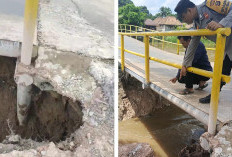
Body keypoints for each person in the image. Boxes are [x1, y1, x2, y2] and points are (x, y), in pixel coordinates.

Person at [174, 0, 232, 103]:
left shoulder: (211, 4)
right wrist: (185, 64)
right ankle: (213, 96)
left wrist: (222, 24)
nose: (183, 20)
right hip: (227, 49)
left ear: (189, 10)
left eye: (183, 17)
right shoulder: (197, 24)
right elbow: (193, 44)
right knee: (221, 73)